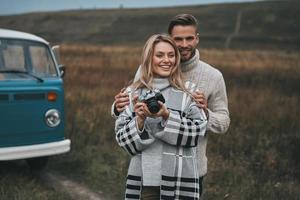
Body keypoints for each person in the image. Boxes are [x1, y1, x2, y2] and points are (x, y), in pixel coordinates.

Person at [113, 14, 230, 196]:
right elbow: (128, 109)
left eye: (189, 38)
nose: (184, 44)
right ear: (170, 39)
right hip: (147, 171)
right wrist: (117, 107)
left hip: (190, 169)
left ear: (197, 38)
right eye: (178, 39)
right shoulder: (144, 74)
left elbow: (223, 123)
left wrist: (204, 113)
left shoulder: (212, 76)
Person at [115, 34, 208, 199]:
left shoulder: (189, 92)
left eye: (171, 55)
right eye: (160, 55)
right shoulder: (132, 93)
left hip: (180, 181)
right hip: (144, 184)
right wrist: (140, 120)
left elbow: (197, 132)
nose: (167, 60)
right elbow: (123, 141)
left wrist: (166, 115)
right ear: (148, 58)